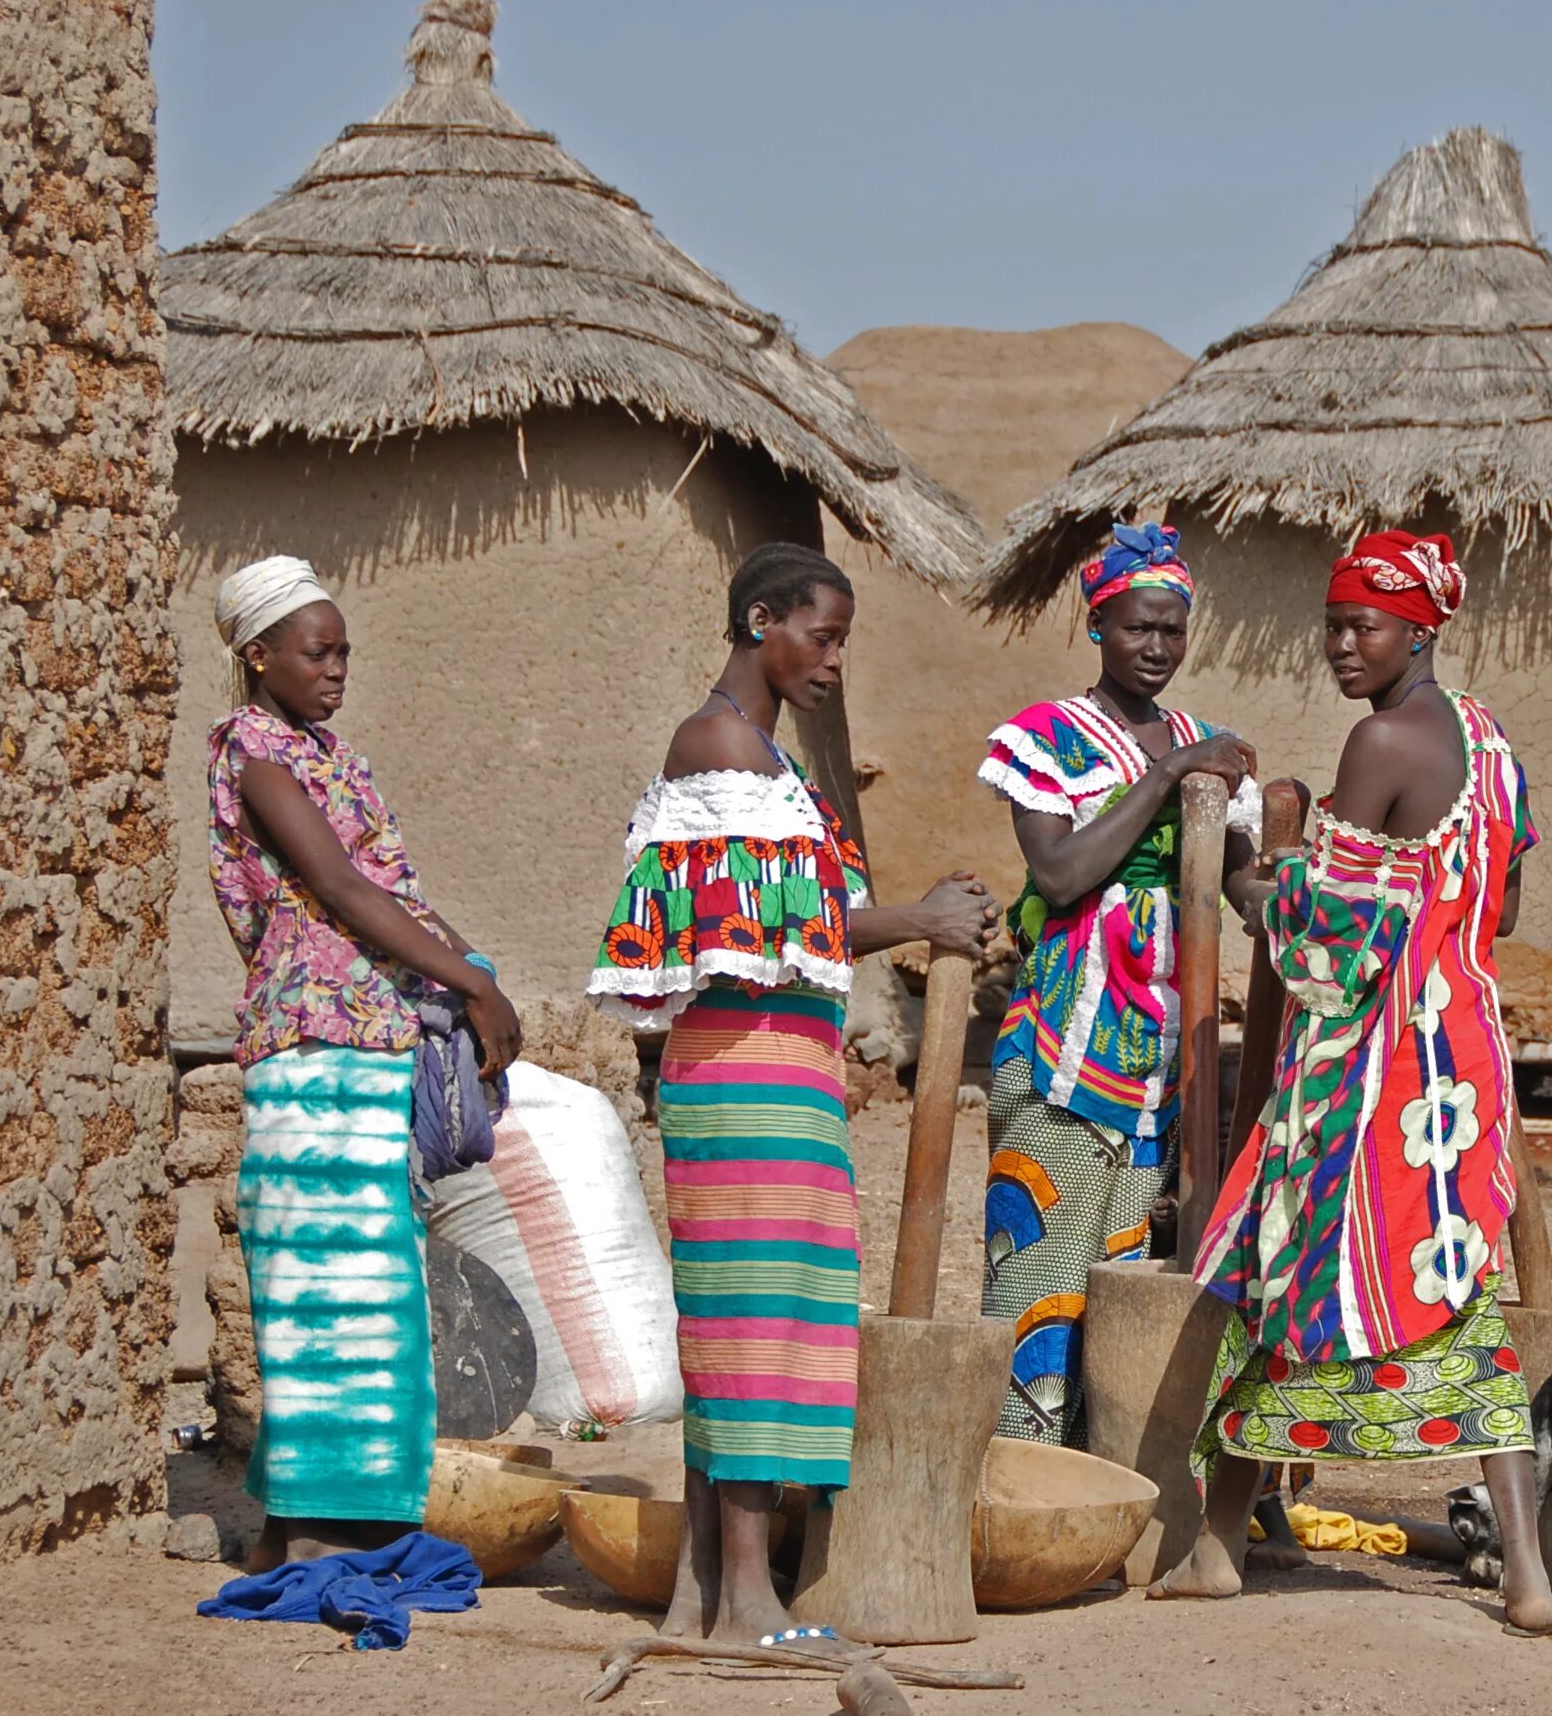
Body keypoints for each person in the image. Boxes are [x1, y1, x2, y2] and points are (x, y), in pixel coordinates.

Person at [1151, 530, 1552, 1636]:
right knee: (1453, 1295)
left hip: (1375, 1065)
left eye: (1363, 627)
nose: (1340, 646)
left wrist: (1254, 884)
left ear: (1417, 631)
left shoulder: (1379, 740)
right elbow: (1502, 909)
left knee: (1289, 1276)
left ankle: (1214, 1547)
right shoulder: (1486, 739)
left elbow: (1328, 947)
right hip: (1464, 1058)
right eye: (1332, 624)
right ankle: (1520, 1575)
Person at [588, 542, 999, 1645]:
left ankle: (702, 1591)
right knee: (755, 1317)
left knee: (773, 1312)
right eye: (820, 637)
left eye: (843, 644)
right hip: (741, 1066)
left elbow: (794, 925)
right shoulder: (716, 744)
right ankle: (747, 1598)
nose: (833, 662)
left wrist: (920, 912)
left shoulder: (767, 762)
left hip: (785, 1065)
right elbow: (735, 943)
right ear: (759, 621)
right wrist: (917, 922)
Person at [204, 556, 523, 1572]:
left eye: (344, 650)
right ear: (258, 656)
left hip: (369, 1038)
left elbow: (396, 892)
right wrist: (473, 988)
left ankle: (359, 1512)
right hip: (311, 1041)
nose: (338, 667)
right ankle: (305, 1522)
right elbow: (341, 888)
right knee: (319, 1286)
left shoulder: (325, 753)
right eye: (317, 651)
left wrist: (473, 970)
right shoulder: (256, 755)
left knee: (374, 1283)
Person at [976, 524, 1262, 1445]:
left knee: (1128, 1279)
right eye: (1140, 628)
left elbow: (1238, 875)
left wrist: (1303, 894)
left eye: (1174, 631)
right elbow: (1060, 875)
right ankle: (1016, 1487)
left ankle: (1104, 1498)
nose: (1157, 648)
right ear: (1098, 624)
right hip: (1067, 1042)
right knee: (1038, 1276)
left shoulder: (1198, 738)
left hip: (1161, 1060)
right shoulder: (1046, 738)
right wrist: (1168, 774)